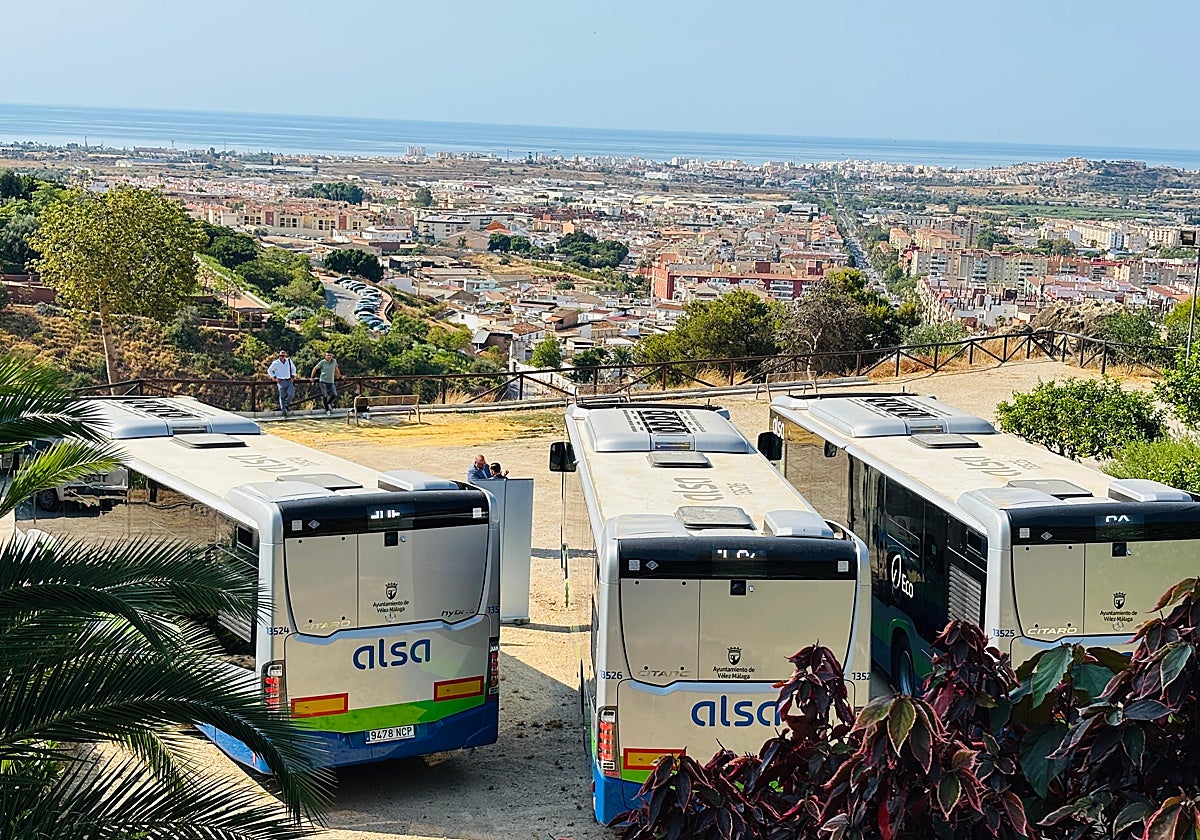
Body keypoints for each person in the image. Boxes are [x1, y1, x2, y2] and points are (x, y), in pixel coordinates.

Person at [267, 349, 297, 418]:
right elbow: (269, 370)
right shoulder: (276, 363)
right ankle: (284, 411)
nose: (281, 357)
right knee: (282, 396)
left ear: (285, 356)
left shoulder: (289, 361)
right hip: (280, 381)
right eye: (280, 355)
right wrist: (274, 378)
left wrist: (292, 376)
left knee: (291, 394)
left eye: (283, 356)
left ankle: (286, 405)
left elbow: (293, 369)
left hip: (288, 380)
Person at [310, 350, 341, 415]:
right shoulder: (322, 362)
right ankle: (327, 410)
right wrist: (312, 377)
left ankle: (328, 403)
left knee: (334, 394)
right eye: (327, 355)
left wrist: (340, 376)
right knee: (325, 395)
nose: (329, 357)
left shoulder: (334, 361)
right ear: (325, 356)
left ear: (332, 356)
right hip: (323, 381)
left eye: (330, 355)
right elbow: (315, 368)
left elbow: (336, 369)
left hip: (331, 381)